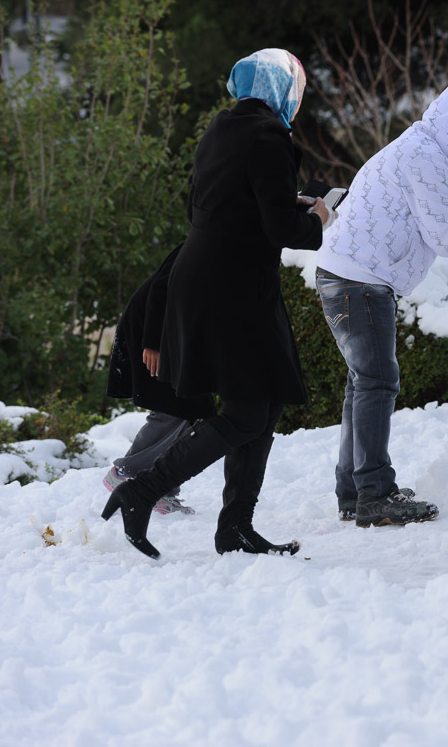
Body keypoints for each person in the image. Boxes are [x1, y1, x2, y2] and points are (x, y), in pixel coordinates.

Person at [102, 48, 334, 558]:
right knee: (247, 413)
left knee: (265, 403)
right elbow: (280, 229)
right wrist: (319, 217)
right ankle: (141, 490)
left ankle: (235, 529)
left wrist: (284, 201)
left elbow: (210, 204)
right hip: (233, 290)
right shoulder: (271, 135)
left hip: (214, 281)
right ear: (283, 89)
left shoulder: (222, 129)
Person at [314, 81, 448, 527]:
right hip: (359, 281)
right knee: (376, 382)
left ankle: (355, 489)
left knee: (363, 384)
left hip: (346, 275)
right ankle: (374, 495)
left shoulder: (414, 146)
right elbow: (447, 238)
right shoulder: (426, 159)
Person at [102, 243, 216, 516]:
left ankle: (157, 486)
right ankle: (127, 473)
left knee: (196, 412)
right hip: (153, 333)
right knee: (173, 406)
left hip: (176, 333)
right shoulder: (209, 239)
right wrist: (152, 343)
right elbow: (160, 289)